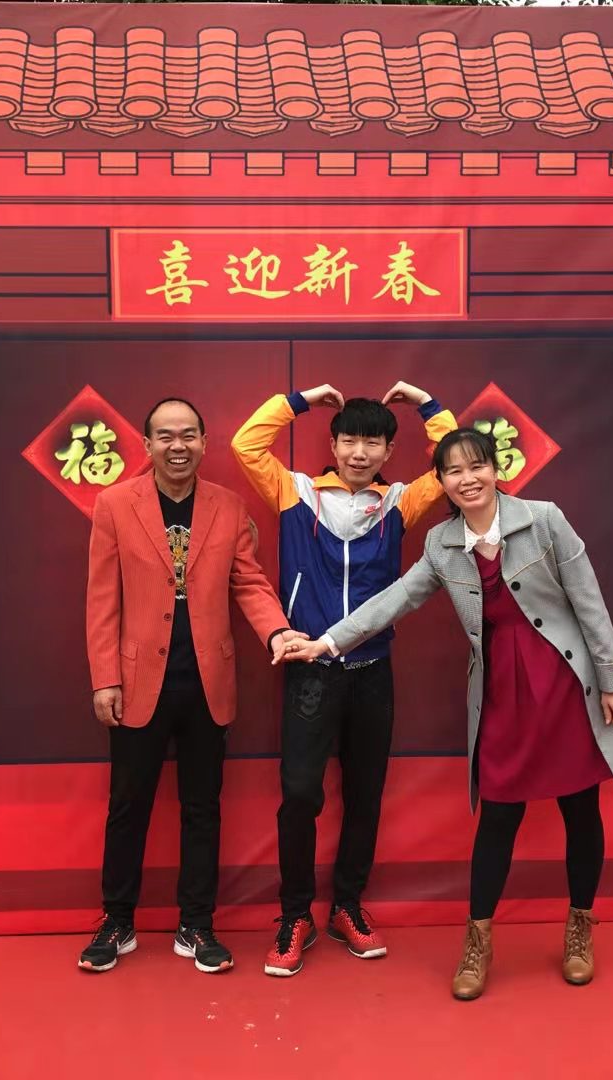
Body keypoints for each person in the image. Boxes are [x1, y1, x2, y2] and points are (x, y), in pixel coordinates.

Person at [276, 427, 613, 1000]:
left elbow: (589, 601)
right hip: (502, 691)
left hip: (564, 683)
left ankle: (579, 931)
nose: (468, 479)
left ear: (496, 470)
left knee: (580, 810)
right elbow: (394, 600)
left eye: (477, 467)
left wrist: (612, 682)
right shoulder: (442, 543)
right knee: (498, 817)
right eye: (454, 471)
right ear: (440, 482)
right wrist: (327, 642)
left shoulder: (544, 519)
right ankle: (478, 941)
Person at [232, 381, 456, 976]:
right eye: (350, 440)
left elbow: (455, 458)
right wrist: (300, 400)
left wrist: (427, 404)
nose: (360, 452)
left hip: (373, 671)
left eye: (373, 443)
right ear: (332, 445)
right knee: (300, 796)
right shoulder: (296, 491)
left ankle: (347, 907)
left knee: (365, 794)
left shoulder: (401, 502)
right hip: (310, 668)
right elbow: (246, 444)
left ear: (389, 451)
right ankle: (294, 915)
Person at [81, 398, 304, 974]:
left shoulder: (228, 506)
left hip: (208, 680)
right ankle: (116, 922)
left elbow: (248, 582)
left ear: (204, 442)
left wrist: (277, 630)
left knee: (202, 808)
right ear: (147, 445)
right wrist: (105, 678)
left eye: (187, 435)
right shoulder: (115, 505)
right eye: (165, 436)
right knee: (127, 806)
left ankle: (196, 925)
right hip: (137, 680)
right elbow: (102, 599)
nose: (176, 446)